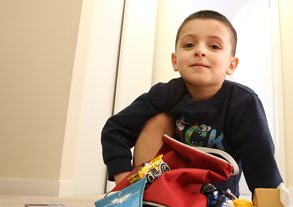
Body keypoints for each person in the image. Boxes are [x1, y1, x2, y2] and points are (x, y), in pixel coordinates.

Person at [101, 10, 283, 196]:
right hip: (166, 192)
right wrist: (123, 181)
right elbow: (115, 130)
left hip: (217, 199)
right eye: (189, 45)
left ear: (231, 65)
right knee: (158, 119)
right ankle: (138, 195)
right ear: (175, 61)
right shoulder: (166, 94)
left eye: (214, 46)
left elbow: (261, 164)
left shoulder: (244, 102)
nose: (200, 51)